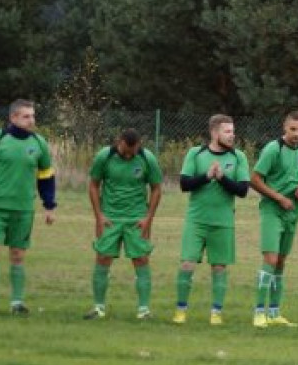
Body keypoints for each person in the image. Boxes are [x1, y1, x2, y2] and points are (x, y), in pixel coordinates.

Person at [173, 114, 250, 325]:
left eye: (233, 131)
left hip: (223, 222)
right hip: (196, 221)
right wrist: (206, 177)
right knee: (187, 264)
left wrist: (222, 178)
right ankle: (180, 311)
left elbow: (243, 190)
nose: (232, 135)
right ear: (214, 133)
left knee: (219, 267)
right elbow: (184, 184)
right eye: (227, 131)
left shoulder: (238, 157)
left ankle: (216, 313)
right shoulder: (195, 154)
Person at [84, 128, 163, 320]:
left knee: (141, 259)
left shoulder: (147, 158)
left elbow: (156, 189)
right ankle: (98, 308)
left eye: (134, 150)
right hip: (110, 217)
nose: (130, 154)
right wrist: (99, 216)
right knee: (102, 258)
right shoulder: (104, 156)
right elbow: (93, 185)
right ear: (119, 142)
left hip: (136, 219)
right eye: (127, 149)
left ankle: (144, 310)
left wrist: (148, 218)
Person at [250, 111, 298, 329]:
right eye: (292, 129)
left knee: (281, 262)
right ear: (284, 128)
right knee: (270, 259)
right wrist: (278, 197)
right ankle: (259, 312)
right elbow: (254, 179)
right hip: (272, 210)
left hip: (292, 213)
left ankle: (275, 312)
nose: (296, 134)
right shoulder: (273, 149)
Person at [0, 100, 55, 315]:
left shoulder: (39, 143)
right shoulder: (0, 139)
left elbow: (46, 176)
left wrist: (49, 206)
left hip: (23, 210)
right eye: (26, 116)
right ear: (13, 118)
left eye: (32, 116)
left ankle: (17, 303)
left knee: (18, 256)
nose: (31, 120)